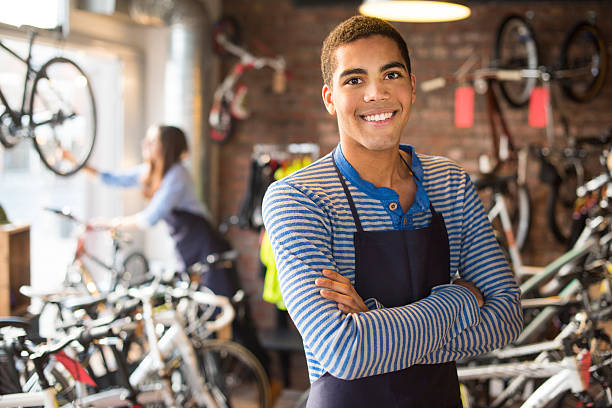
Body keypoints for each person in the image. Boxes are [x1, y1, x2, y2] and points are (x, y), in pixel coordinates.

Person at [262, 16, 523, 408]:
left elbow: (505, 318)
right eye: (354, 79)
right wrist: (463, 300)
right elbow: (344, 352)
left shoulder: (449, 183)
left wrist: (375, 323)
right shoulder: (298, 198)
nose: (375, 93)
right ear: (330, 98)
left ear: (412, 88)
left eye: (391, 74)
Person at [84, 124, 237, 297]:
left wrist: (111, 223)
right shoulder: (153, 172)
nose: (145, 144)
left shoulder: (177, 175)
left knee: (213, 301)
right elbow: (113, 179)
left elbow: (150, 218)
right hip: (185, 243)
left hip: (202, 243)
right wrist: (77, 164)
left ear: (167, 147)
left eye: (152, 141)